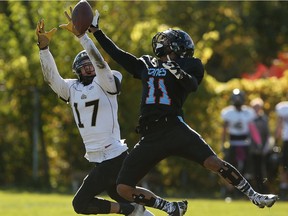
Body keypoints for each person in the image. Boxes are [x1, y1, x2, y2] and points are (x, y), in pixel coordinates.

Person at [88, 10, 278, 215]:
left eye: (168, 40)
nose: (162, 42)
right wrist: (97, 32)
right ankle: (170, 207)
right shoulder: (146, 64)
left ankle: (255, 195)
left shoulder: (190, 64)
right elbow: (119, 55)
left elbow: (192, 85)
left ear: (178, 46)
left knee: (213, 162)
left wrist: (178, 72)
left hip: (174, 127)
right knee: (123, 187)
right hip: (150, 134)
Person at [35, 9, 153, 216]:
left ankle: (131, 209)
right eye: (84, 66)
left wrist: (83, 38)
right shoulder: (72, 89)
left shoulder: (106, 81)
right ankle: (137, 209)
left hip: (113, 156)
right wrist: (44, 49)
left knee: (80, 204)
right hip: (100, 157)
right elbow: (52, 79)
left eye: (91, 66)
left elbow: (101, 66)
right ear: (77, 70)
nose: (89, 69)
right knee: (134, 208)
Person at [249, 97, 270, 193]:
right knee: (251, 169)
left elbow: (267, 134)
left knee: (261, 170)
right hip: (251, 149)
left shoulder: (264, 119)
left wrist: (265, 146)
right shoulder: (249, 118)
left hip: (261, 149)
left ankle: (261, 189)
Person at [275, 100, 288, 200]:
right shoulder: (283, 107)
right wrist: (276, 141)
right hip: (286, 141)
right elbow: (279, 125)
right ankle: (284, 188)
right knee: (284, 166)